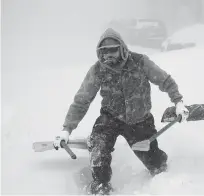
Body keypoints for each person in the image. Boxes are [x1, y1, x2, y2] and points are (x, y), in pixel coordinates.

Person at [53, 28, 189, 195]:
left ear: (122, 48)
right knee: (99, 148)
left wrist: (178, 102)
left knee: (155, 163)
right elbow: (82, 100)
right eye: (104, 52)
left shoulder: (140, 62)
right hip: (110, 117)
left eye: (112, 50)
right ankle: (101, 186)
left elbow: (165, 80)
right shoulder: (97, 70)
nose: (108, 55)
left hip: (140, 120)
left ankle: (162, 175)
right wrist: (66, 129)